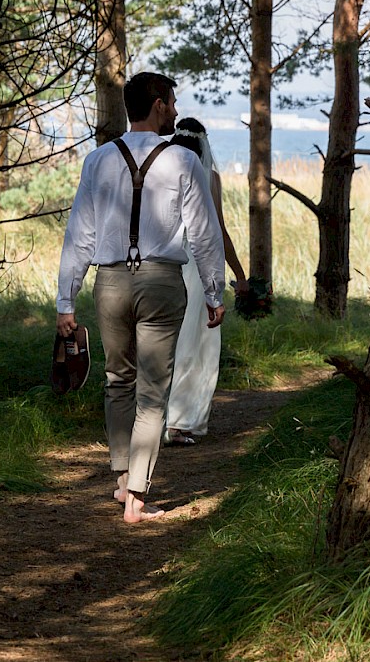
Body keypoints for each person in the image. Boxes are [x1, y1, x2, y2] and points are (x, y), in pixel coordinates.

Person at [56, 72, 225, 524]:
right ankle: (136, 497)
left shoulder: (97, 160)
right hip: (163, 283)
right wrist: (214, 291)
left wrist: (65, 303)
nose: (174, 109)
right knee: (153, 392)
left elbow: (79, 237)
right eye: (171, 102)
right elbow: (205, 236)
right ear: (156, 105)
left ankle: (120, 479)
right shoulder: (184, 162)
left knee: (117, 382)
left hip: (109, 282)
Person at [163, 117, 248, 446]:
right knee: (196, 342)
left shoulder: (158, 172)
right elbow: (218, 232)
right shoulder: (209, 177)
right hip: (199, 266)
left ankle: (154, 418)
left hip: (162, 263)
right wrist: (239, 273)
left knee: (165, 340)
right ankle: (181, 421)